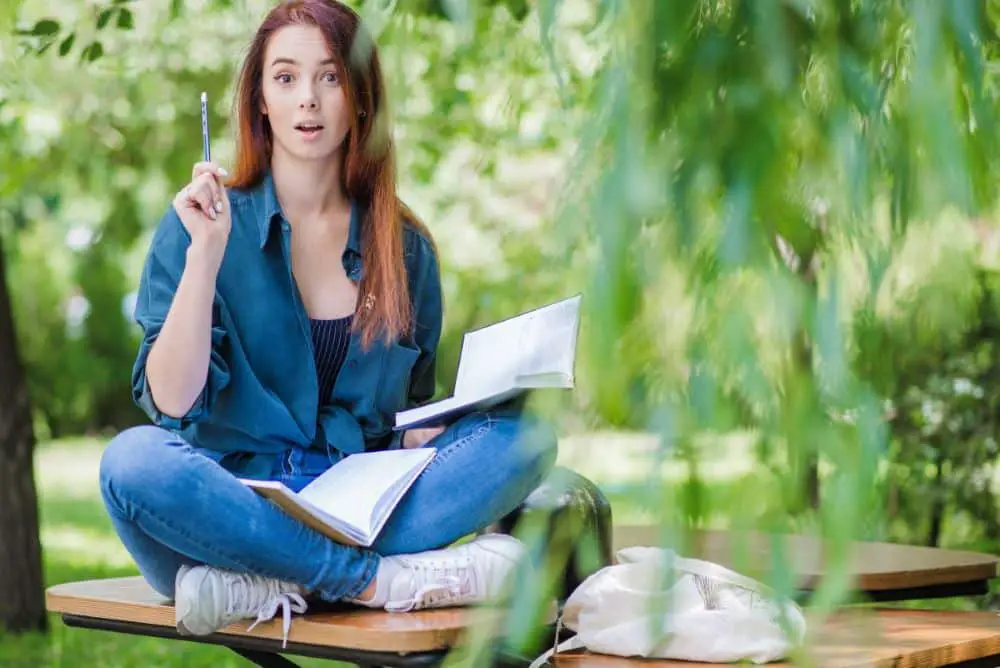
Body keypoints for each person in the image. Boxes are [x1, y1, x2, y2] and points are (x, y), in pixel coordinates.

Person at [99, 0, 558, 644]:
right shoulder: (198, 226)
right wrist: (205, 257)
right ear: (260, 100)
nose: (308, 100)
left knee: (528, 439)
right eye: (285, 78)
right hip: (233, 509)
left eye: (330, 77)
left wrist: (436, 432)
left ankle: (272, 584)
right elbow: (172, 402)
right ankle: (370, 582)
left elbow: (402, 421)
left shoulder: (406, 251)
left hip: (354, 506)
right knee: (131, 462)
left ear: (359, 97)